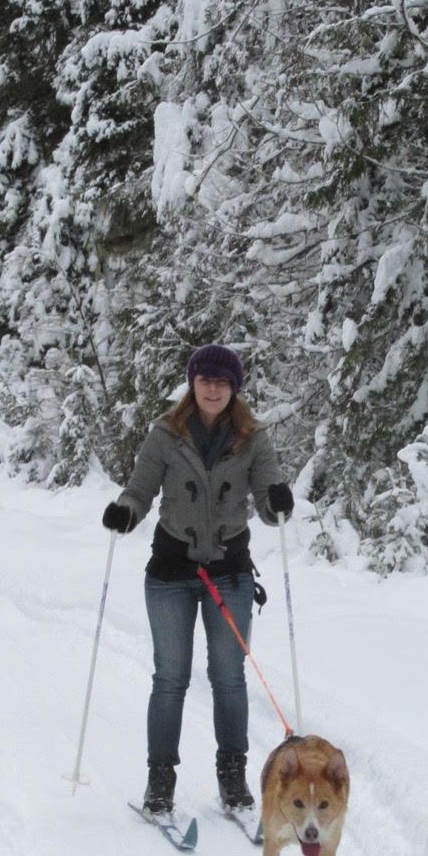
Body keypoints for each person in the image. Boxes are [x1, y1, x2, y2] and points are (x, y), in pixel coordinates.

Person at [102, 343, 294, 816]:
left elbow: (269, 498)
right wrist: (125, 513)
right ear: (193, 384)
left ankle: (233, 777)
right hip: (171, 573)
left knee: (229, 678)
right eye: (205, 379)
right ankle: (160, 780)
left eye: (222, 382)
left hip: (229, 573)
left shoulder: (252, 438)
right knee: (170, 678)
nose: (213, 388)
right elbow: (140, 489)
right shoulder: (166, 434)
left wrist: (277, 501)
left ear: (233, 389)